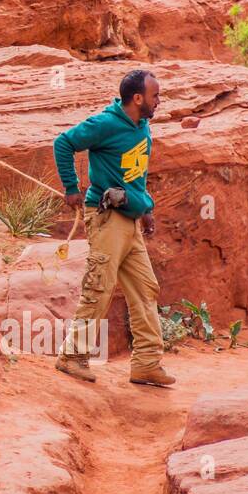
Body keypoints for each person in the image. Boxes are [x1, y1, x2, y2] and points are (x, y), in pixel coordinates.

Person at [51, 69, 174, 387]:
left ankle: (146, 364)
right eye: (155, 96)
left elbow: (136, 174)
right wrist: (71, 187)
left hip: (130, 220)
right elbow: (63, 143)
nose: (158, 101)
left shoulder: (142, 125)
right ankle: (73, 356)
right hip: (106, 217)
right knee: (99, 285)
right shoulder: (105, 124)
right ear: (137, 98)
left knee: (145, 288)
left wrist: (145, 207)